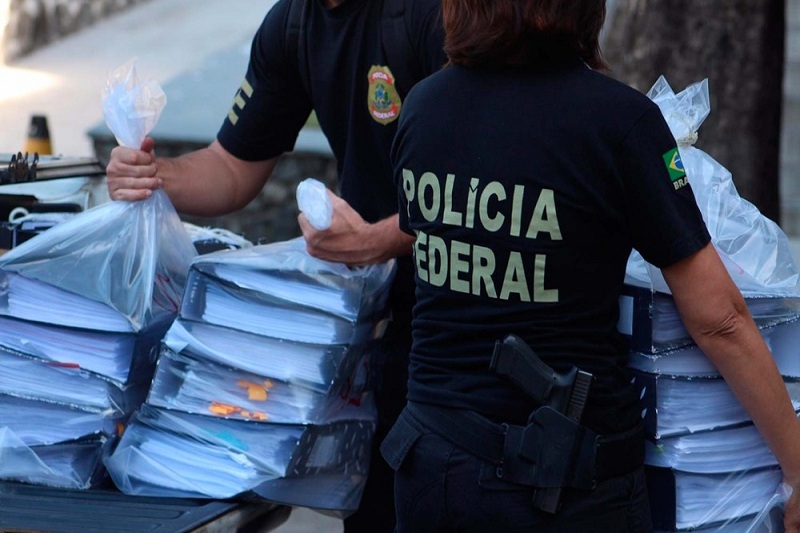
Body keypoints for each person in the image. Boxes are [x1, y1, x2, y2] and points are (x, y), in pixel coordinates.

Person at [381, 0, 800, 531]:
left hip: (432, 468)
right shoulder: (618, 121)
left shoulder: (422, 106)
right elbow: (720, 319)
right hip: (566, 486)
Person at [105, 0, 446, 531]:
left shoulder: (429, 15)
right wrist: (151, 174)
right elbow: (230, 167)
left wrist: (377, 240)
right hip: (368, 326)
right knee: (376, 510)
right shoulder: (293, 23)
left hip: (454, 323)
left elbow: (486, 185)